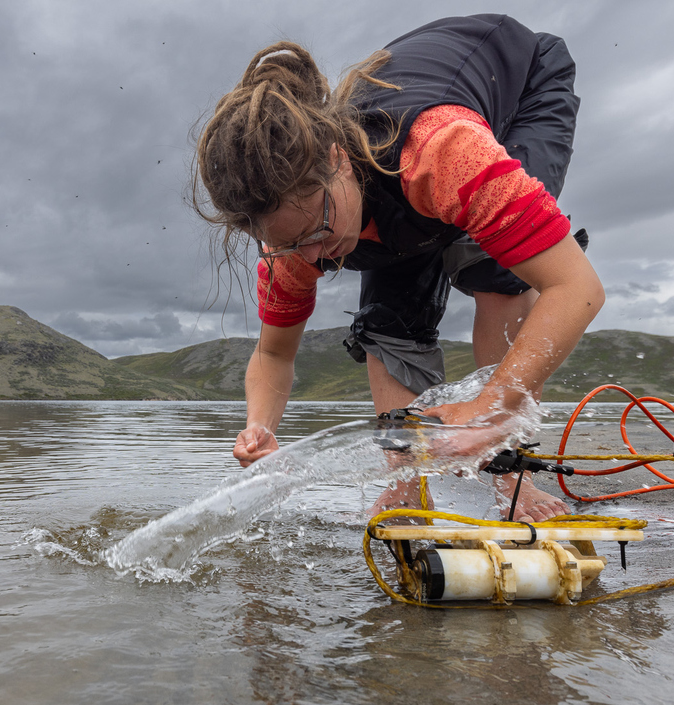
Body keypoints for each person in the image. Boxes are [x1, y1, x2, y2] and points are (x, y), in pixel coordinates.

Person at [191, 14, 604, 522]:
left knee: (492, 265)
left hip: (518, 89)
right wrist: (261, 426)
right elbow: (274, 354)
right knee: (387, 316)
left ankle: (512, 481)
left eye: (318, 231)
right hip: (399, 177)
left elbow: (575, 287)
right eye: (290, 245)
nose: (315, 257)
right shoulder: (290, 241)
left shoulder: (440, 152)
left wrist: (492, 405)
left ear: (338, 160)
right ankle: (408, 483)